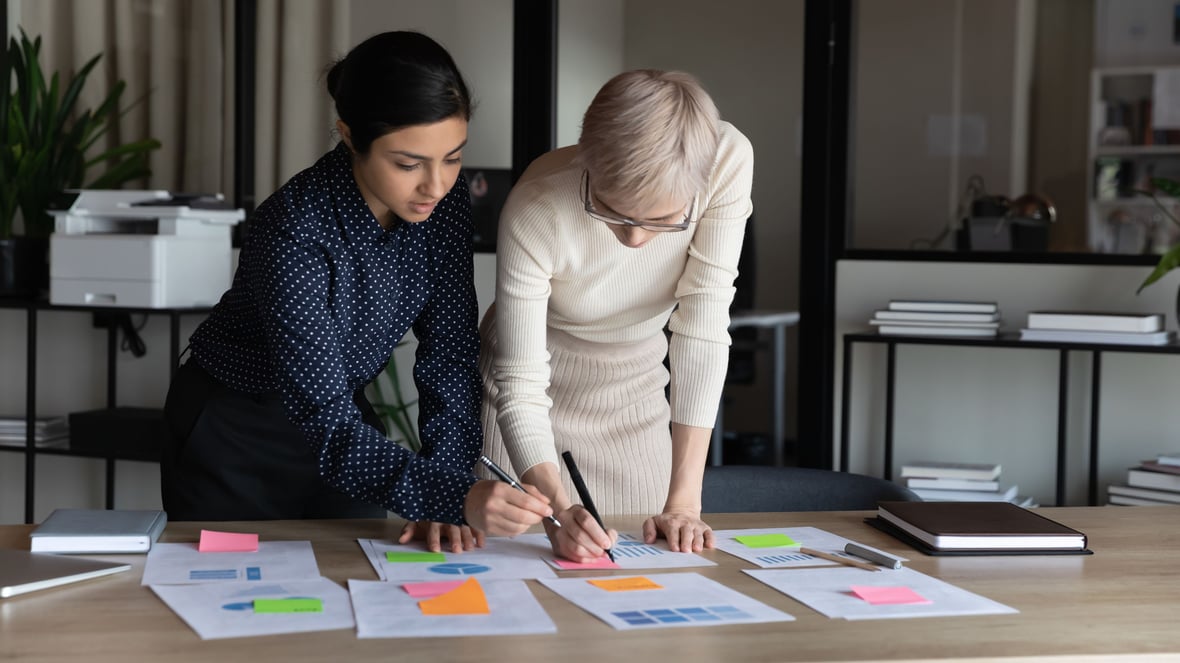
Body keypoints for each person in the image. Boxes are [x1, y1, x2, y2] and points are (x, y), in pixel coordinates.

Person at [161, 31, 553, 550]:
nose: (435, 184)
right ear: (349, 136)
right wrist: (453, 495)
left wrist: (449, 481)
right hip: (234, 433)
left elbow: (450, 354)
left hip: (349, 431)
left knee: (360, 584)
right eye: (408, 164)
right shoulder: (293, 227)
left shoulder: (444, 204)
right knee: (237, 603)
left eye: (453, 157)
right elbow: (322, 416)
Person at [479, 70, 754, 562]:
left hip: (635, 389)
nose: (634, 240)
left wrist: (685, 501)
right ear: (588, 162)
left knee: (639, 573)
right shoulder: (536, 204)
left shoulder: (726, 161)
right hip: (528, 393)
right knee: (518, 583)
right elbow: (520, 382)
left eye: (661, 222)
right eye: (613, 211)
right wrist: (558, 510)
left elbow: (702, 325)